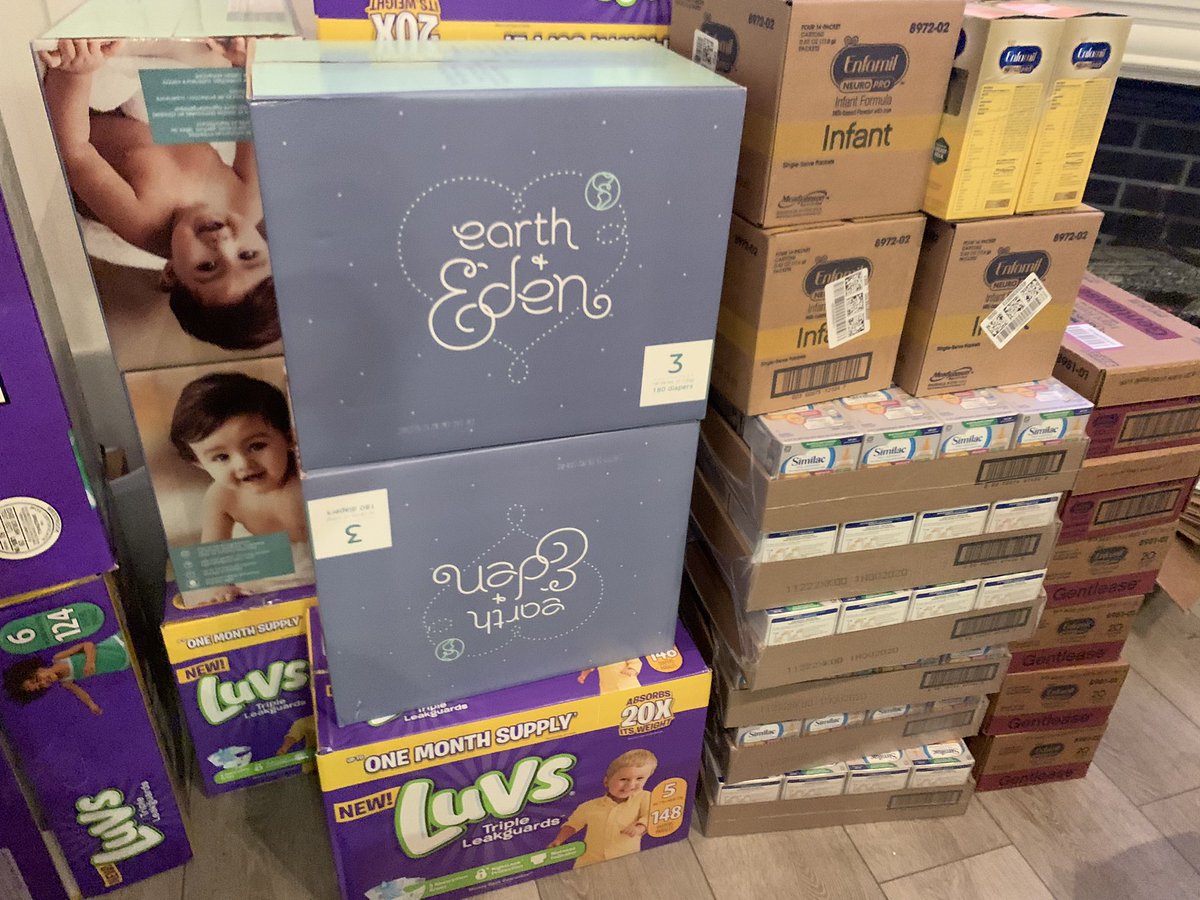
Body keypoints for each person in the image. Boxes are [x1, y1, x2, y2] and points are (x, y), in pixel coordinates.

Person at [38, 37, 280, 352]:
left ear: (171, 273)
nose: (223, 244)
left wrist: (77, 74)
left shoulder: (141, 221)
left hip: (83, 112)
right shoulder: (248, 202)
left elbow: (74, 154)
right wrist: (244, 65)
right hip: (149, 107)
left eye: (207, 267)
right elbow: (253, 119)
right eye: (248, 255)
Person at [170, 372, 306, 551]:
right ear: (199, 464)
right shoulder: (221, 497)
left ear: (290, 438)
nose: (243, 464)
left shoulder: (306, 478)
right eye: (221, 457)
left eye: (256, 446)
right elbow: (213, 558)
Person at [548, 748, 658, 868]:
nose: (631, 785)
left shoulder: (644, 797)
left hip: (626, 857)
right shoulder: (589, 806)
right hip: (589, 861)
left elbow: (652, 815)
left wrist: (640, 827)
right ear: (606, 781)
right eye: (623, 779)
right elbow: (573, 824)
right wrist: (559, 840)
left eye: (640, 779)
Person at [2, 635, 131, 716]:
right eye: (40, 686)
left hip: (119, 644)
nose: (43, 682)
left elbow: (88, 645)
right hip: (123, 662)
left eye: (37, 679)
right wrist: (91, 705)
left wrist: (89, 662)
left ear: (38, 669)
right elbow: (80, 692)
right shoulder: (66, 681)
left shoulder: (59, 658)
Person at [577, 658, 643, 693]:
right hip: (607, 688)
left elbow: (636, 662)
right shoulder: (597, 654)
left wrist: (632, 669)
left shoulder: (622, 649)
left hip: (627, 685)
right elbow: (590, 665)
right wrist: (583, 675)